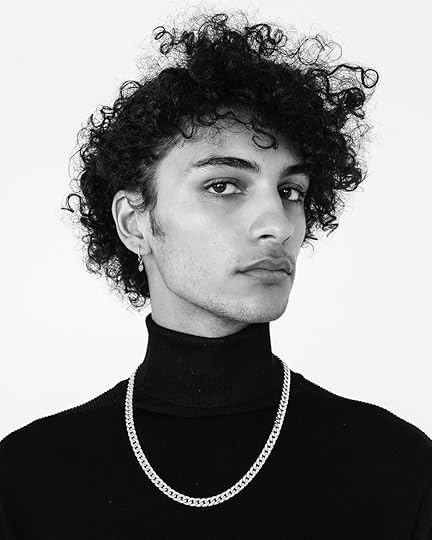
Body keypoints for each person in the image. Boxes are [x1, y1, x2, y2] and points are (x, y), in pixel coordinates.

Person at [0, 9, 431, 540]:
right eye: (222, 186)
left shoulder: (399, 471)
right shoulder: (26, 481)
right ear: (135, 222)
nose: (277, 225)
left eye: (290, 191)